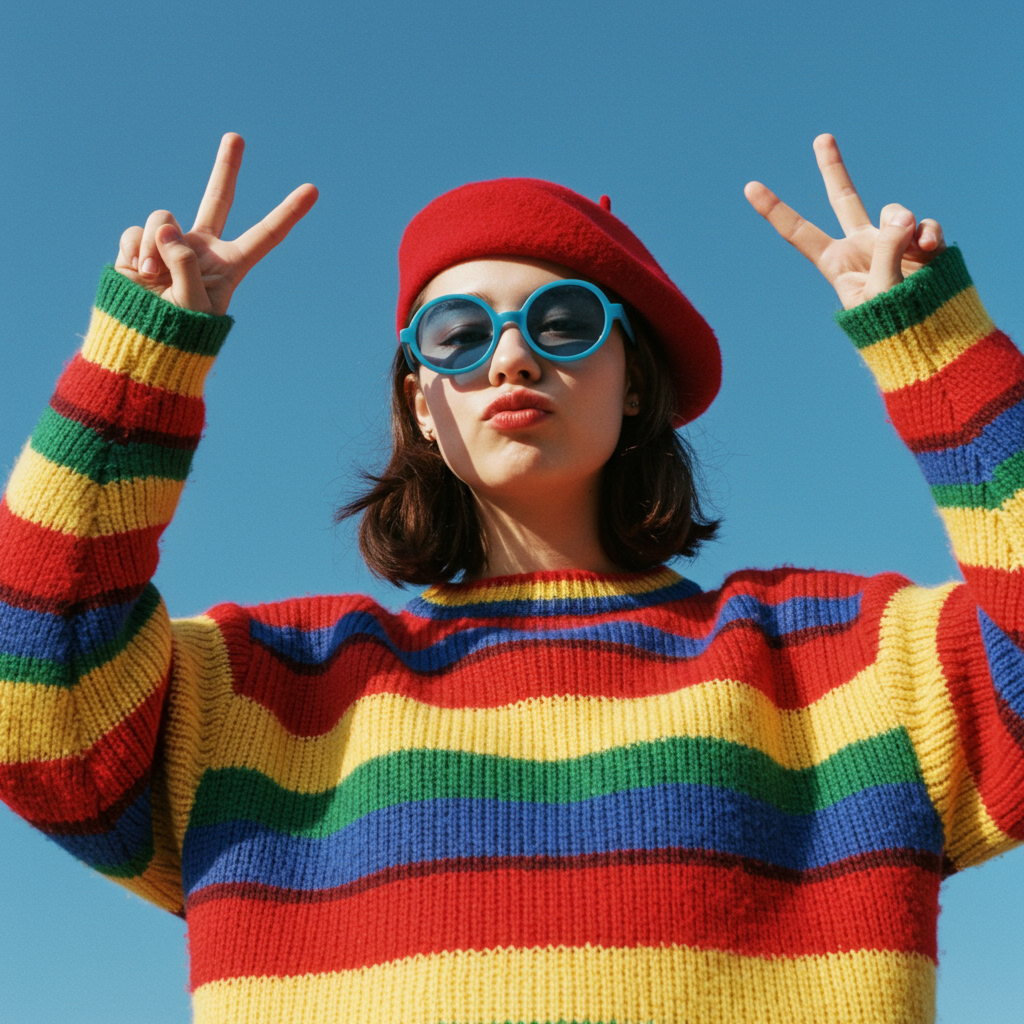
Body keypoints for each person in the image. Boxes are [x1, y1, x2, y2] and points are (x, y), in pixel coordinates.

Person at [0, 132, 1020, 1024]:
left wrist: (933, 340)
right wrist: (141, 359)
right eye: (458, 335)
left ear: (632, 381)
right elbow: (32, 702)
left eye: (565, 323)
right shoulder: (265, 689)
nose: (511, 360)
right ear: (419, 401)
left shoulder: (842, 664)